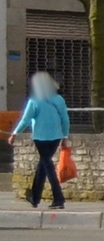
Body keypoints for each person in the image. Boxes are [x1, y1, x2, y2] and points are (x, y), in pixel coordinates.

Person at [13, 71, 72, 209]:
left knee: (48, 166)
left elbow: (25, 120)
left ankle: (58, 198)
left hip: (40, 137)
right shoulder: (59, 99)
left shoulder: (34, 101)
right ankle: (34, 197)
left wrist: (15, 133)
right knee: (43, 165)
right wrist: (65, 136)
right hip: (56, 136)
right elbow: (65, 119)